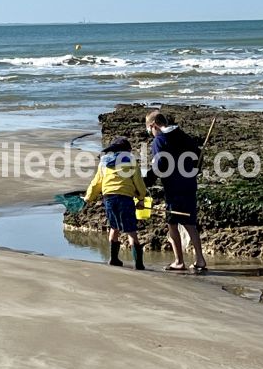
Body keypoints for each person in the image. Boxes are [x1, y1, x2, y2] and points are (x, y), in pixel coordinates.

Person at [144, 110, 207, 272]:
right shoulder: (184, 136)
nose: (150, 133)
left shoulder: (160, 140)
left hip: (173, 187)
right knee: (190, 222)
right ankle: (200, 259)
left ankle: (179, 261)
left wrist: (148, 181)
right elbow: (198, 156)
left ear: (153, 125)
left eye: (149, 129)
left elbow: (160, 165)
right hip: (189, 184)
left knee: (172, 224)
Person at [84, 136, 146, 270]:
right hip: (125, 199)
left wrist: (88, 198)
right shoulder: (131, 162)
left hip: (109, 198)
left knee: (114, 227)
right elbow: (139, 183)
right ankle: (138, 263)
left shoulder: (103, 163)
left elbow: (96, 184)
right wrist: (141, 198)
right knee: (131, 231)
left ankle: (113, 258)